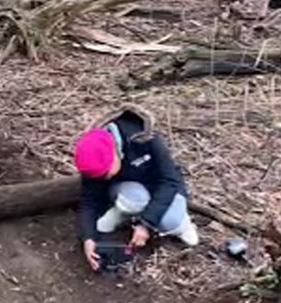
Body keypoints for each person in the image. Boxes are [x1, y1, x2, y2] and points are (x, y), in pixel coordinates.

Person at [74, 108, 199, 272]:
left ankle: (182, 224)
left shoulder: (144, 138)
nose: (103, 179)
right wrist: (88, 238)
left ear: (114, 154)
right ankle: (123, 212)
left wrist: (146, 224)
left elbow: (170, 181)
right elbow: (89, 199)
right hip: (128, 189)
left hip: (162, 187)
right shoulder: (92, 150)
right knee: (135, 199)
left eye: (105, 173)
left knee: (171, 221)